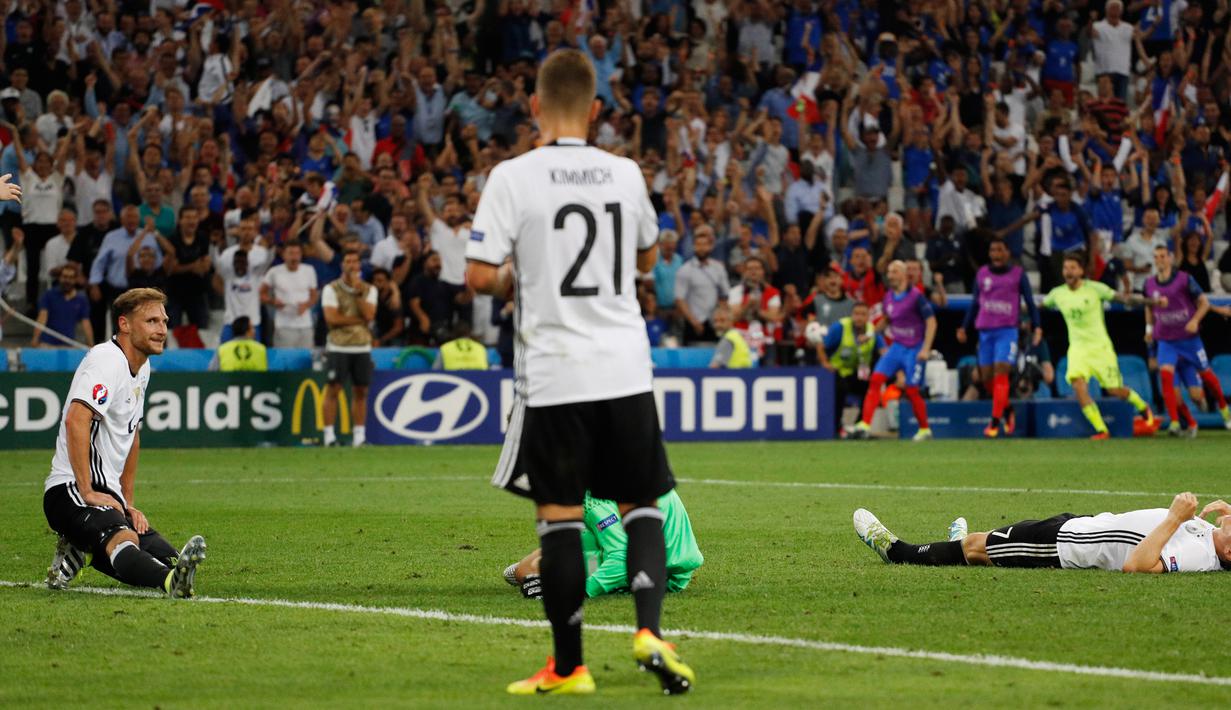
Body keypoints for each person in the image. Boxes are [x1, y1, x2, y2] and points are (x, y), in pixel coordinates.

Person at [465, 50, 694, 696]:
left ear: (534, 106)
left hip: (555, 372)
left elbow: (479, 275)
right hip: (624, 366)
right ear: (596, 111)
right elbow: (646, 260)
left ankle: (569, 667)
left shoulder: (513, 177)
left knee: (561, 520)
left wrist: (520, 275)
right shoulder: (625, 173)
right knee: (641, 506)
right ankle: (649, 631)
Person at [42, 288, 206, 596]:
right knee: (124, 541)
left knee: (166, 556)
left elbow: (132, 435)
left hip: (108, 494)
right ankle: (170, 583)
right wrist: (87, 490)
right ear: (124, 324)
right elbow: (76, 419)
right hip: (69, 490)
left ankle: (80, 548)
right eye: (152, 321)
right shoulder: (107, 360)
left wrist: (127, 503)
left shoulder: (142, 367)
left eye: (164, 321)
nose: (162, 329)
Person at [852, 492, 1231, 574]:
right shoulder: (1210, 535)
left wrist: (1174, 517)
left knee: (977, 547)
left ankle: (898, 552)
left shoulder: (1201, 556)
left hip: (1068, 546)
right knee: (995, 539)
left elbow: (1138, 566)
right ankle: (953, 545)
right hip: (1080, 525)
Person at [503, 489, 703, 599]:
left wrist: (581, 590)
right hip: (672, 562)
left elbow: (622, 558)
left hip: (660, 574)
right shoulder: (628, 463)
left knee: (531, 568)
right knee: (526, 567)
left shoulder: (593, 496)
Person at [1042, 253, 1158, 439]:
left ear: (1081, 271)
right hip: (1078, 349)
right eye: (1066, 268)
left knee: (1114, 390)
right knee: (1078, 387)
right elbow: (1039, 306)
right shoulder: (1057, 293)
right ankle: (1102, 430)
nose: (1068, 272)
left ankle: (1143, 407)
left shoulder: (1095, 289)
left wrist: (1152, 302)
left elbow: (1125, 299)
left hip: (1100, 348)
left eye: (1073, 268)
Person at [956, 238, 1042, 437]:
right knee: (986, 378)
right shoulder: (982, 274)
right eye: (992, 250)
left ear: (1007, 252)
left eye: (1000, 250)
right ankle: (1007, 409)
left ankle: (994, 422)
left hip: (1007, 331)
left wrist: (1037, 327)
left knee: (1001, 370)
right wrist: (964, 326)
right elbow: (975, 303)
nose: (996, 254)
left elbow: (1030, 302)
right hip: (985, 332)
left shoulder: (1018, 274)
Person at [1144, 245, 1231, 434]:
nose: (1159, 260)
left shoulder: (1184, 279)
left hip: (1189, 340)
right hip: (1166, 341)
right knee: (1166, 378)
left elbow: (1204, 303)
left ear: (1170, 258)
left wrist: (1195, 320)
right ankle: (1176, 423)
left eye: (1163, 256)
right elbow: (1149, 308)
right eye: (1156, 256)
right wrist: (1149, 329)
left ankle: (1224, 408)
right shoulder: (1149, 284)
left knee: (1200, 389)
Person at [851, 260, 938, 441]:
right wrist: (870, 334)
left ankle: (925, 429)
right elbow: (886, 319)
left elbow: (931, 322)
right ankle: (864, 425)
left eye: (895, 272)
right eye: (889, 272)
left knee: (912, 390)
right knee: (876, 380)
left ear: (904, 275)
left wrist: (925, 348)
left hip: (914, 348)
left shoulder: (916, 296)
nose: (890, 275)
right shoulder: (889, 296)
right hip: (897, 347)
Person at [321, 250, 376, 448]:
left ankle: (359, 437)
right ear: (342, 265)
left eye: (355, 261)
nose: (351, 265)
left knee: (361, 391)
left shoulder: (369, 290)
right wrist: (359, 320)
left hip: (362, 347)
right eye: (347, 261)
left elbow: (369, 316)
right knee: (333, 389)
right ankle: (329, 436)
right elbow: (332, 319)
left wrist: (358, 293)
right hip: (338, 346)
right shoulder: (331, 289)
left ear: (359, 266)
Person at [817, 301, 886, 435]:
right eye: (856, 314)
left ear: (868, 317)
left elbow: (884, 351)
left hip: (859, 373)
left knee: (873, 388)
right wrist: (825, 363)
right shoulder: (840, 327)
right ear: (851, 315)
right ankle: (836, 427)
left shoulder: (873, 331)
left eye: (863, 314)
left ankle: (860, 426)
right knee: (840, 390)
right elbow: (821, 345)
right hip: (837, 372)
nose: (859, 317)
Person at [260, 241, 319, 349]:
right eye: (291, 253)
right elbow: (261, 294)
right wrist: (273, 301)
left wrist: (306, 305)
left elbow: (314, 296)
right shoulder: (274, 272)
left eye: (297, 253)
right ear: (284, 255)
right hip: (284, 325)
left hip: (306, 325)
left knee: (305, 357)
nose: (294, 257)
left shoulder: (309, 270)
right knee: (285, 358)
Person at [31, 262, 92, 347]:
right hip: (47, 344)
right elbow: (42, 317)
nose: (67, 280)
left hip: (69, 345)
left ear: (75, 280)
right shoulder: (48, 296)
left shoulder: (81, 300)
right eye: (64, 277)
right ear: (59, 278)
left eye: (71, 277)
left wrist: (91, 344)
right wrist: (35, 338)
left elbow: (86, 323)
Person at [708, 304, 753, 369]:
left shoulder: (728, 339)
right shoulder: (737, 335)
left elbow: (715, 366)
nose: (718, 325)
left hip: (733, 373)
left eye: (722, 320)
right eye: (715, 321)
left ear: (731, 322)